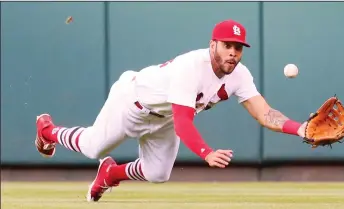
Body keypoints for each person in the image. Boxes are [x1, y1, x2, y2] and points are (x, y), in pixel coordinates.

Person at [34, 19, 307, 202]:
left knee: (158, 174)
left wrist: (301, 129)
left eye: (238, 47)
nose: (233, 53)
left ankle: (111, 174)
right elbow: (183, 123)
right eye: (227, 46)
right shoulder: (191, 67)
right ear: (213, 45)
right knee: (93, 148)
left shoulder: (240, 75)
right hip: (132, 103)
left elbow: (264, 113)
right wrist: (206, 152)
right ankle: (47, 131)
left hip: (164, 118)